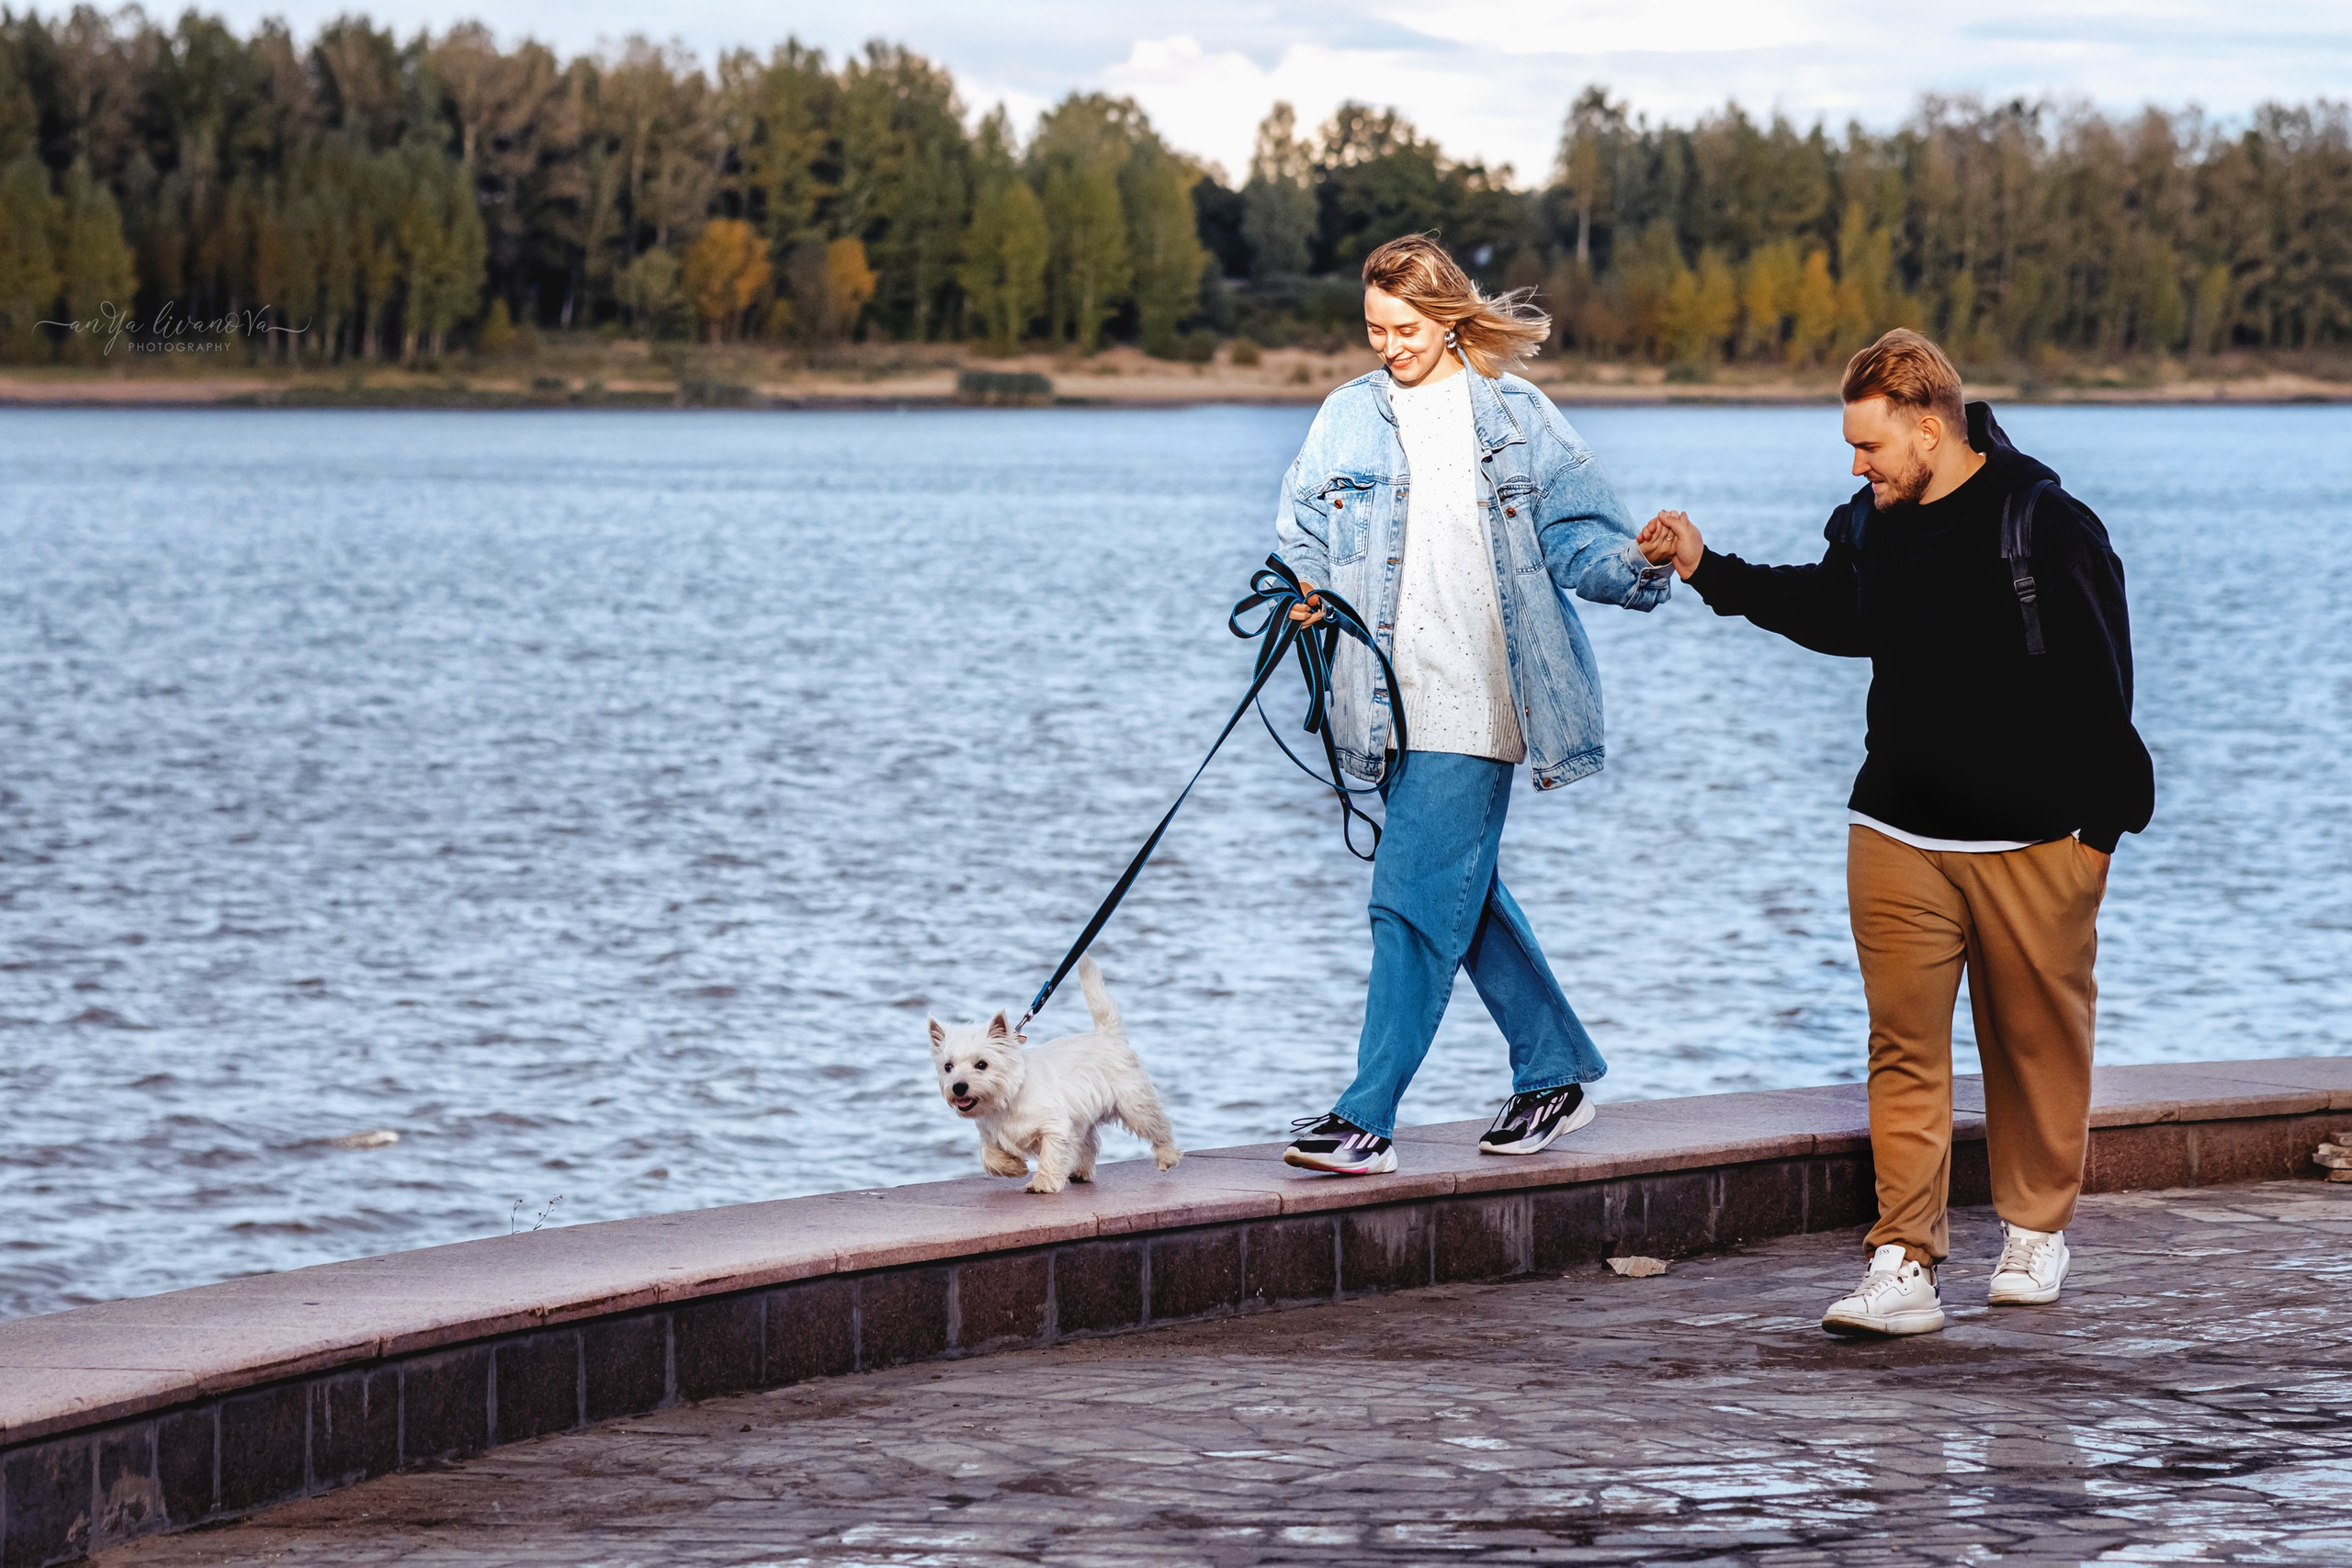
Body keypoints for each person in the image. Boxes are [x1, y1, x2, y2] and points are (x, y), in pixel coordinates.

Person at [1639, 329, 2154, 1336]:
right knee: (1901, 1050)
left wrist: (2100, 833)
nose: (1856, 464)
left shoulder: (2042, 523)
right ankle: (1900, 1261)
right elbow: (1833, 613)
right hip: (1893, 832)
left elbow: (2105, 680)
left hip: (2033, 846)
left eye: (1870, 446)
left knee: (2036, 1046)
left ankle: (2036, 1230)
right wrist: (1709, 569)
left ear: (1929, 427)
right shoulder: (1873, 521)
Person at [1275, 233, 1678, 1178]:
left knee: (1409, 906)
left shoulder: (1513, 415)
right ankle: (1555, 1070)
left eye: (1405, 327)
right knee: (1461, 893)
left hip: (1479, 695)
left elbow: (1581, 538)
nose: (1388, 346)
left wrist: (1640, 563)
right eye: (1373, 328)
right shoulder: (1346, 417)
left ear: (1449, 317)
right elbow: (1300, 529)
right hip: (1379, 702)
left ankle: (1365, 1117)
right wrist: (1299, 591)